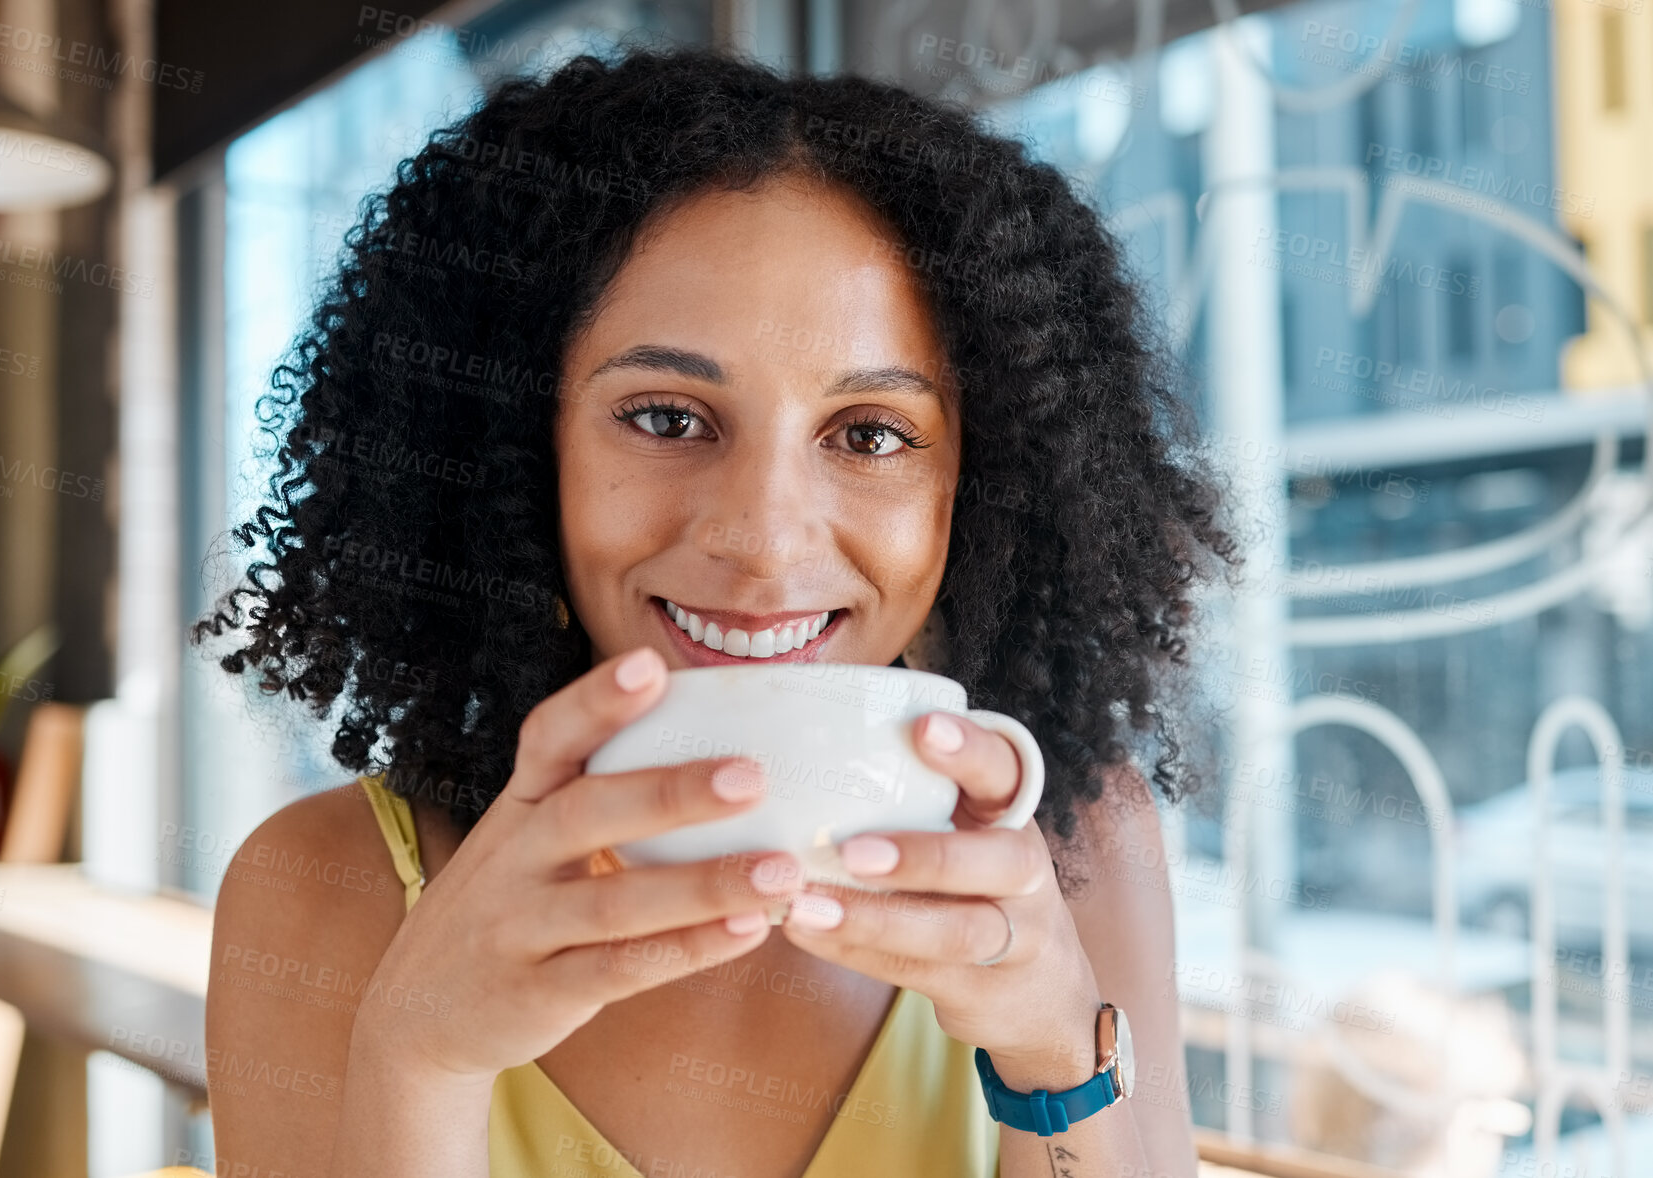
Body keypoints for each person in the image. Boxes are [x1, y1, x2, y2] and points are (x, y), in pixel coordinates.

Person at [195, 44, 1237, 1178]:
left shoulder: (1076, 853)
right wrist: (419, 1061)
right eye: (664, 417)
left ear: (977, 492)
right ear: (504, 447)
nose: (762, 535)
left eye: (870, 434)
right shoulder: (321, 888)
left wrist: (1052, 1057)